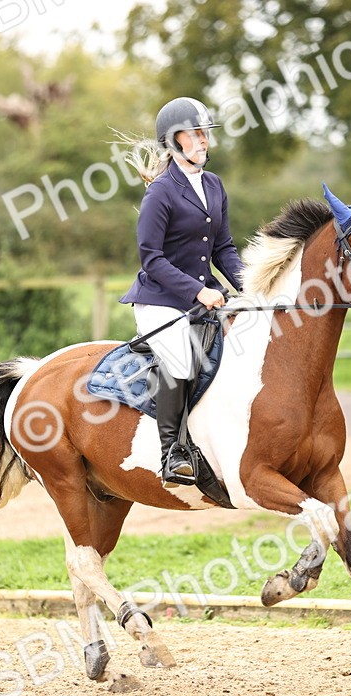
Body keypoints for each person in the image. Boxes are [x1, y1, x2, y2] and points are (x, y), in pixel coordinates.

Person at [119, 97, 246, 487]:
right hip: (159, 300)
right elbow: (151, 259)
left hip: (200, 296)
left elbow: (223, 248)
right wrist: (198, 292)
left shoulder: (214, 184)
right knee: (181, 360)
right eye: (194, 134)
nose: (203, 141)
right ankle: (173, 452)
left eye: (205, 133)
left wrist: (250, 288)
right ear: (173, 142)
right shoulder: (161, 192)